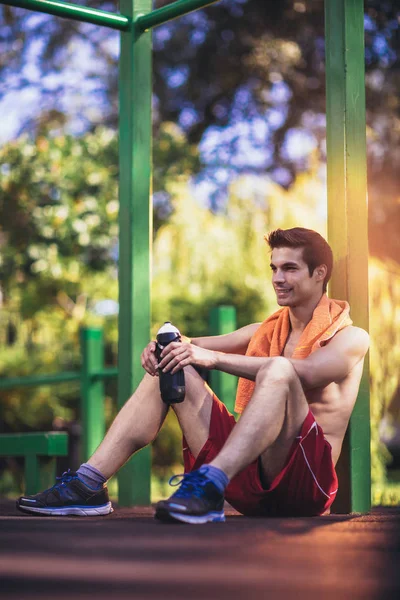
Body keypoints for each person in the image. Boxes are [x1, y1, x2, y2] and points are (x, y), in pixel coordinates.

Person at [17, 227, 370, 523]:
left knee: (279, 369)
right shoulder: (265, 330)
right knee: (173, 359)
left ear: (319, 273)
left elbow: (305, 373)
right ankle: (88, 485)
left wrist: (212, 359)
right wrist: (161, 347)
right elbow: (188, 343)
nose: (278, 278)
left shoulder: (350, 339)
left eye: (290, 268)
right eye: (274, 268)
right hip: (247, 478)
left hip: (302, 487)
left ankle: (209, 482)